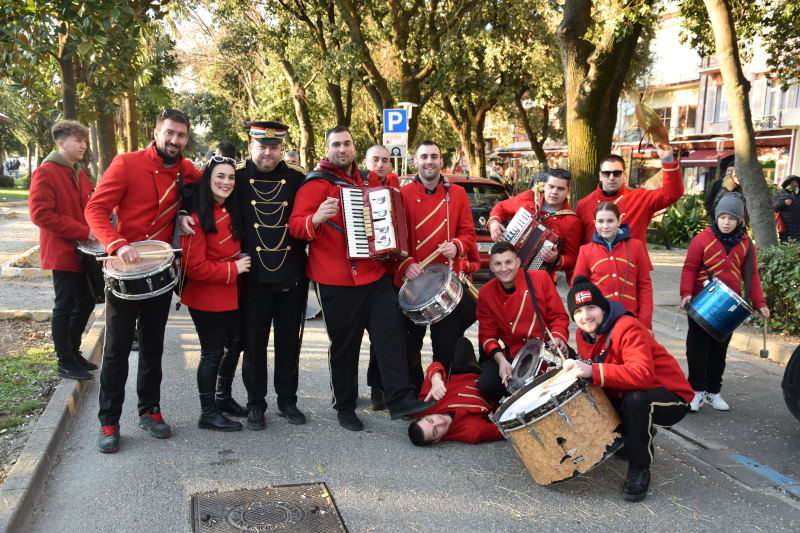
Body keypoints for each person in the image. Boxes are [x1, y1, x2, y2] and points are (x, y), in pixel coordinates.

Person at [288, 126, 433, 431]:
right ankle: (344, 406)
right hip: (335, 279)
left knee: (391, 335)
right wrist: (316, 218)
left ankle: (399, 398)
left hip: (374, 275)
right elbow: (296, 227)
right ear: (327, 150)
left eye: (347, 144)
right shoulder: (315, 183)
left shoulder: (370, 180)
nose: (342, 149)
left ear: (354, 148)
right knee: (345, 345)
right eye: (336, 144)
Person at [85, 109, 201, 453]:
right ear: (156, 132)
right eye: (170, 133)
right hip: (123, 269)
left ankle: (149, 410)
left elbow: (205, 194)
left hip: (159, 271)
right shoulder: (126, 163)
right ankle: (109, 421)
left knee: (153, 347)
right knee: (116, 350)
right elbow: (95, 209)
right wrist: (116, 243)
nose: (175, 140)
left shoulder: (186, 169)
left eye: (181, 135)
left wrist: (186, 213)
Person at [563, 276, 693, 502]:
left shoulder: (628, 327)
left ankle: (639, 469)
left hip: (671, 396)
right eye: (578, 311)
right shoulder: (582, 334)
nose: (586, 316)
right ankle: (633, 433)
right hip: (631, 392)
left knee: (636, 400)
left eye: (591, 308)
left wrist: (592, 370)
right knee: (592, 392)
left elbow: (642, 375)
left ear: (603, 308)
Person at [230, 121, 309, 430]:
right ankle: (255, 403)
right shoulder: (236, 176)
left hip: (292, 274)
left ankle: (287, 400)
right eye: (262, 146)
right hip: (253, 278)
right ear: (251, 146)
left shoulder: (298, 177)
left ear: (281, 149)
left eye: (274, 147)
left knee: (289, 343)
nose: (268, 153)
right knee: (254, 344)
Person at [391, 140, 477, 393]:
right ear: (415, 161)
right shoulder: (402, 195)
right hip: (413, 280)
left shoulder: (457, 194)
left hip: (445, 281)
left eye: (434, 156)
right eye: (424, 156)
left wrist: (457, 246)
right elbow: (395, 238)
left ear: (441, 161)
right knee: (410, 343)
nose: (429, 161)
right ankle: (414, 391)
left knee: (446, 343)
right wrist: (406, 263)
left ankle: (445, 390)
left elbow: (468, 233)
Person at [679, 193, 769, 412]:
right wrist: (686, 293)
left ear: (739, 220)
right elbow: (690, 268)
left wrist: (760, 302)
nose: (726, 222)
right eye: (722, 217)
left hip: (729, 306)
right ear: (717, 217)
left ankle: (713, 391)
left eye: (731, 218)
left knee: (719, 351)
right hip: (702, 302)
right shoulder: (702, 239)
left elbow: (752, 275)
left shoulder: (746, 244)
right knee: (697, 349)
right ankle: (696, 391)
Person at [180, 157, 250, 432]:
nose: (226, 182)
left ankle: (223, 398)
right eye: (220, 176)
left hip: (231, 291)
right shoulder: (196, 218)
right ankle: (207, 413)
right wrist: (233, 268)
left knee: (235, 345)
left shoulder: (228, 210)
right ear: (208, 179)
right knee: (212, 353)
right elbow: (194, 267)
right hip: (206, 295)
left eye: (231, 177)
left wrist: (237, 258)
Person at [29, 120, 98, 381]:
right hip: (62, 250)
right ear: (61, 143)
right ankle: (64, 361)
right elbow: (40, 214)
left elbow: (90, 205)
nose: (83, 145)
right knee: (65, 305)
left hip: (82, 250)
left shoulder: (78, 171)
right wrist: (81, 231)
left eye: (84, 140)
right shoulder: (46, 172)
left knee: (87, 301)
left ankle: (73, 352)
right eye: (78, 140)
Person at [476, 241, 570, 402]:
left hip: (548, 349)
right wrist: (501, 361)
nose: (504, 268)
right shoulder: (486, 293)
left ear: (518, 262)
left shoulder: (540, 278)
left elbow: (559, 317)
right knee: (487, 385)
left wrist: (558, 336)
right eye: (498, 264)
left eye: (508, 262)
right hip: (515, 356)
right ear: (491, 267)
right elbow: (487, 336)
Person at [575, 142, 683, 258]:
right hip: (595, 265)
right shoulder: (583, 205)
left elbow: (672, 193)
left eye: (617, 173)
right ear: (600, 175)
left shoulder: (641, 198)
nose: (611, 178)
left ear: (624, 175)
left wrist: (667, 159)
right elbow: (578, 243)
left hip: (631, 265)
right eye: (606, 173)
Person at [487, 168, 582, 284]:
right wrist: (494, 223)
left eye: (560, 188)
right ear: (545, 185)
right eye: (551, 186)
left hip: (537, 279)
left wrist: (556, 259)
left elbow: (572, 258)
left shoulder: (572, 221)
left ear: (568, 190)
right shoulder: (529, 197)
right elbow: (501, 207)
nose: (554, 192)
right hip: (502, 267)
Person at [573, 202, 653, 330]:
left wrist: (645, 322)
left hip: (631, 318)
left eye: (610, 221)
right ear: (595, 223)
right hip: (600, 321)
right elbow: (578, 289)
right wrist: (587, 319)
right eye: (600, 221)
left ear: (619, 221)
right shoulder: (585, 250)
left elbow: (645, 286)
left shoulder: (636, 246)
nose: (605, 226)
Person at [407, 338, 503, 445]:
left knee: (460, 342)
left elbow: (435, 366)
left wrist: (436, 379)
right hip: (493, 390)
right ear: (436, 440)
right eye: (435, 431)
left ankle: (485, 360)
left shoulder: (425, 405)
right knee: (495, 373)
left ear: (424, 416)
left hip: (466, 372)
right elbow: (506, 430)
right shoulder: (472, 433)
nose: (440, 422)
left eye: (431, 420)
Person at [362, 143, 401, 409]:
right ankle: (375, 387)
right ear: (366, 162)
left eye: (385, 160)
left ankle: (383, 387)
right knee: (373, 336)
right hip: (367, 271)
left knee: (386, 336)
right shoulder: (358, 187)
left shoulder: (397, 189)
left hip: (393, 273)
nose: (380, 164)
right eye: (375, 159)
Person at [773, 175, 800, 244]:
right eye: (792, 183)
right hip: (785, 229)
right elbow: (773, 208)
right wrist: (783, 203)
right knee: (786, 247)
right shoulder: (780, 194)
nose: (794, 184)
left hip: (798, 229)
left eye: (796, 182)